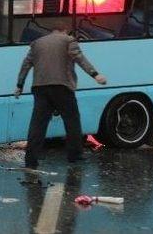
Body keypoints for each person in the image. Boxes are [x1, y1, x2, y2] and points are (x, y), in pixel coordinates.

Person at [15, 22, 107, 169]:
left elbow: (26, 65)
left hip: (40, 88)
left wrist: (19, 86)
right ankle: (74, 155)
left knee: (38, 125)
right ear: (64, 31)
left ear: (51, 32)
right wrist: (95, 75)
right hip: (62, 87)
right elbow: (80, 59)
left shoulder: (37, 43)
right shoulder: (68, 40)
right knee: (72, 121)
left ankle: (31, 160)